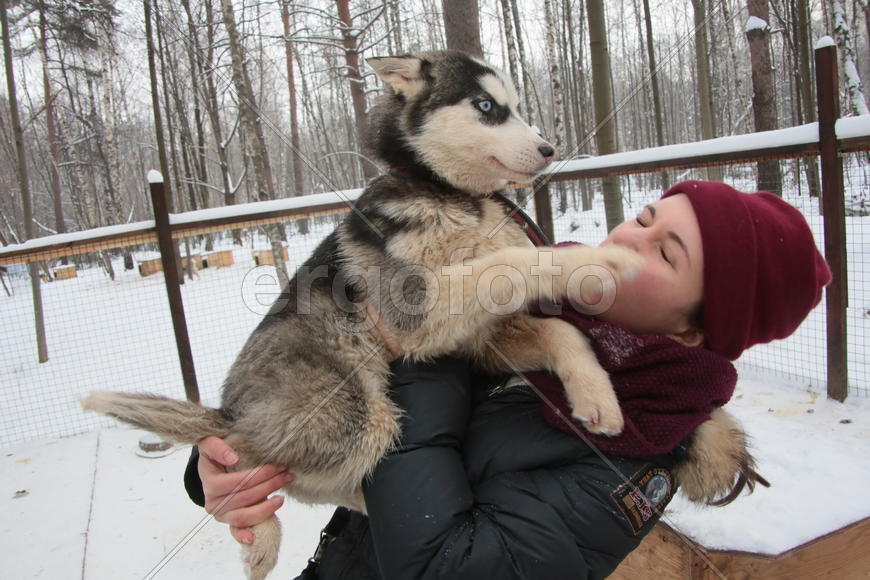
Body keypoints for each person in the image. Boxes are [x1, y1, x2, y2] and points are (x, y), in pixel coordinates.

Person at [184, 180, 831, 579]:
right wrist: (228, 462)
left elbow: (443, 566)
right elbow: (312, 361)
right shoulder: (521, 287)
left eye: (664, 252)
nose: (627, 239)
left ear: (691, 330)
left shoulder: (636, 451)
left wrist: (426, 340)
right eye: (643, 218)